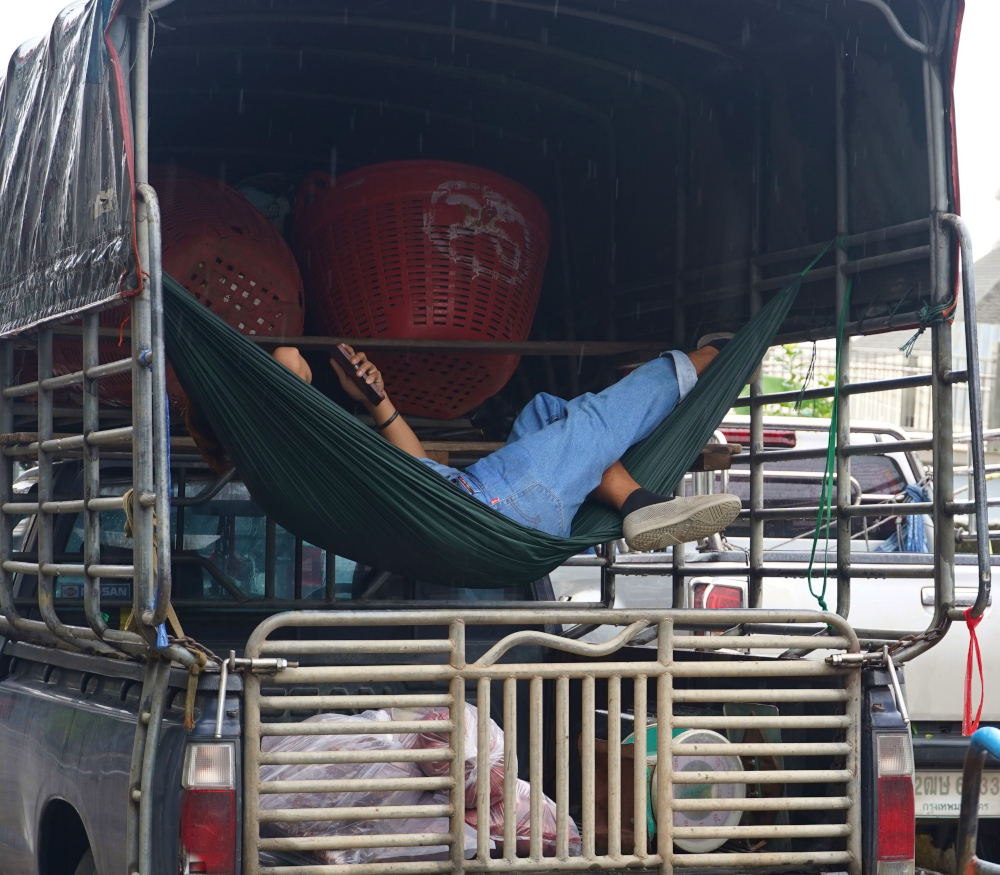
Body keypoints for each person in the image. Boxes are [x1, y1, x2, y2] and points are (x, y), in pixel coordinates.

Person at [271, 339, 743, 552]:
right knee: (595, 420)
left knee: (546, 411)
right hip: (497, 505)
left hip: (481, 499)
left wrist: (377, 401)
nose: (296, 360)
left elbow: (418, 474)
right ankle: (714, 360)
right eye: (284, 372)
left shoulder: (321, 464)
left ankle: (636, 502)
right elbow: (285, 361)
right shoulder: (305, 447)